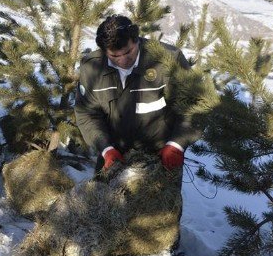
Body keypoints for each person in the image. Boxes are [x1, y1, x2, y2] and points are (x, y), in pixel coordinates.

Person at [74, 15, 198, 173]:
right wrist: (106, 149)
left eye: (128, 52)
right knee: (104, 197)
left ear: (137, 40)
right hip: (113, 154)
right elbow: (87, 114)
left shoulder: (168, 60)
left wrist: (176, 145)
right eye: (114, 56)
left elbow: (194, 105)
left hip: (161, 155)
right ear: (104, 51)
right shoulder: (91, 68)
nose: (123, 60)